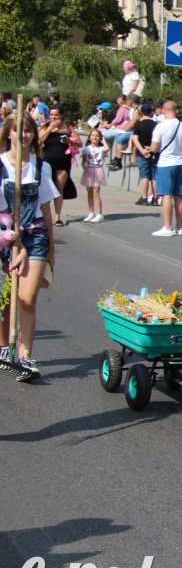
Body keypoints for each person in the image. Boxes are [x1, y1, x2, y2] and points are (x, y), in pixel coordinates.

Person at [0, 116, 58, 381]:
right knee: (5, 299)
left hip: (34, 236)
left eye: (28, 131)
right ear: (8, 133)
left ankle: (25, 357)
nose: (23, 135)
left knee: (26, 297)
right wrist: (14, 242)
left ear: (34, 135)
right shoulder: (0, 165)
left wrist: (50, 248)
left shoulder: (40, 167)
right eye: (17, 130)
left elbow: (46, 209)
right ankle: (4, 348)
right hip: (3, 237)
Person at [148, 101, 182, 237]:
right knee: (179, 196)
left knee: (167, 195)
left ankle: (168, 227)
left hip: (165, 163)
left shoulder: (160, 127)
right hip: (180, 163)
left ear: (162, 111)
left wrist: (148, 149)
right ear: (177, 111)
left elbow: (154, 148)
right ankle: (181, 226)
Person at [37, 105, 79, 227]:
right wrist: (50, 128)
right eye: (51, 115)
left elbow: (79, 143)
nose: (54, 117)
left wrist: (70, 141)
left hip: (63, 162)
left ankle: (57, 217)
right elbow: (39, 141)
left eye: (56, 115)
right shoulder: (45, 127)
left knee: (59, 189)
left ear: (61, 115)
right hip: (48, 162)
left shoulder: (68, 127)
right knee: (48, 188)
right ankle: (45, 214)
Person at [129, 103, 159, 206]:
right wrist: (151, 149)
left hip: (142, 154)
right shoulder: (156, 125)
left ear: (141, 112)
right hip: (153, 152)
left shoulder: (138, 125)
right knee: (154, 176)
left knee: (144, 176)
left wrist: (142, 150)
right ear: (151, 112)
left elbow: (135, 139)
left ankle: (144, 197)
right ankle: (155, 198)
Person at [80, 128, 108, 222]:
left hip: (97, 170)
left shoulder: (101, 149)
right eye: (92, 135)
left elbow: (107, 148)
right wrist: (85, 168)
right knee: (89, 192)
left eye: (97, 135)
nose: (94, 137)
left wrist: (103, 141)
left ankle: (99, 213)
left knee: (96, 192)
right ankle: (91, 212)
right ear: (89, 137)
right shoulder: (86, 149)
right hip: (89, 171)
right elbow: (83, 161)